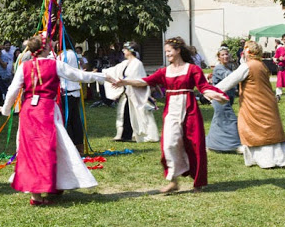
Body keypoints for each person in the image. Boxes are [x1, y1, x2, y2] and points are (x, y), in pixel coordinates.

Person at [2, 35, 113, 205]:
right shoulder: (55, 64)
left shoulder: (24, 66)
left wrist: (5, 109)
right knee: (54, 147)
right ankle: (44, 190)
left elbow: (12, 90)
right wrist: (104, 77)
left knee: (33, 150)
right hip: (46, 111)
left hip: (29, 112)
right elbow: (79, 76)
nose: (54, 44)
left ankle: (50, 186)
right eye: (50, 43)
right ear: (45, 48)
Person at [114, 37, 228, 193]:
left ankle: (199, 182)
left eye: (169, 51)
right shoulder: (164, 71)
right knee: (168, 143)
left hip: (189, 110)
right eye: (165, 51)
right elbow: (146, 81)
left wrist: (215, 95)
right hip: (171, 110)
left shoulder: (192, 69)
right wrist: (125, 82)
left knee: (195, 145)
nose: (167, 54)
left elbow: (203, 86)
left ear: (178, 50)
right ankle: (173, 180)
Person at [216, 41, 285, 168]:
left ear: (247, 53)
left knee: (254, 129)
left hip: (254, 103)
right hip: (267, 101)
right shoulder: (262, 65)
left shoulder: (247, 66)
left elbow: (230, 80)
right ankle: (281, 158)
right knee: (270, 131)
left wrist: (210, 90)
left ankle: (267, 161)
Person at [103, 41, 159, 143]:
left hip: (135, 94)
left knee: (135, 114)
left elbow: (139, 80)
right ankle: (124, 135)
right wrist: (101, 73)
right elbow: (113, 71)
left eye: (125, 49)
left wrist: (126, 83)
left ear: (130, 51)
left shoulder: (137, 64)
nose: (123, 51)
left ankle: (134, 135)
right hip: (126, 93)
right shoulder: (125, 63)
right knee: (124, 114)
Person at [206, 46, 242, 153]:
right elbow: (231, 77)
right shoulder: (219, 68)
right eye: (223, 55)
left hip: (227, 99)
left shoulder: (229, 66)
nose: (225, 56)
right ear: (219, 57)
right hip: (220, 100)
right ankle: (236, 145)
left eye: (227, 54)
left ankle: (211, 144)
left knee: (217, 122)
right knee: (231, 120)